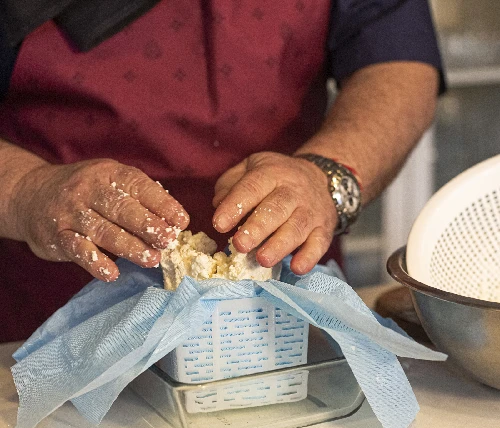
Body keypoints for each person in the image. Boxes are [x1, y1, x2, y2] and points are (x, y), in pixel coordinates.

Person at [0, 0, 444, 342]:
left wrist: (324, 176)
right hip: (47, 323)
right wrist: (24, 189)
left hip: (286, 318)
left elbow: (397, 56)